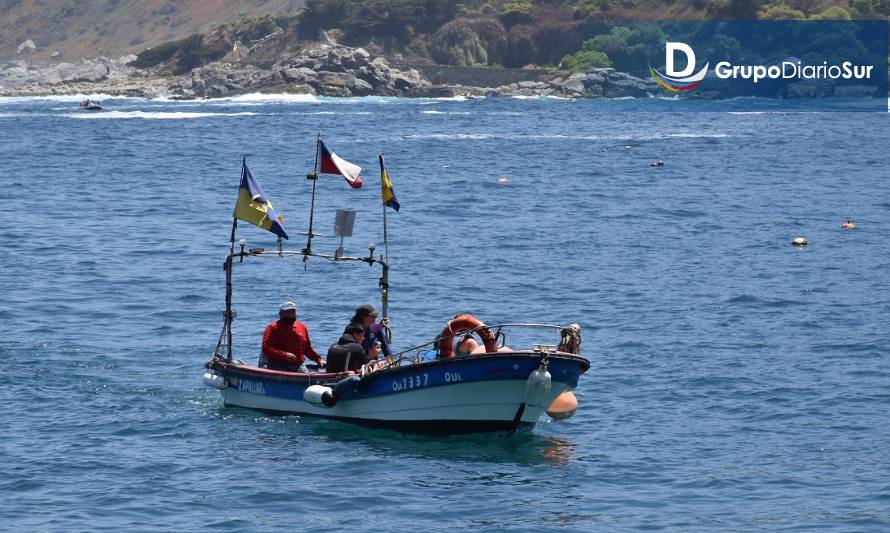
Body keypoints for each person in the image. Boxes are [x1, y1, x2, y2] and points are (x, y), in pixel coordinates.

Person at [260, 301, 324, 372]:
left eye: (293, 312)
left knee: (308, 376)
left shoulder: (302, 327)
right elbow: (266, 348)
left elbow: (307, 349)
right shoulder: (272, 328)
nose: (290, 314)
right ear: (281, 314)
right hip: (278, 365)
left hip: (298, 365)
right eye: (287, 312)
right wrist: (284, 355)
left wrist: (318, 359)